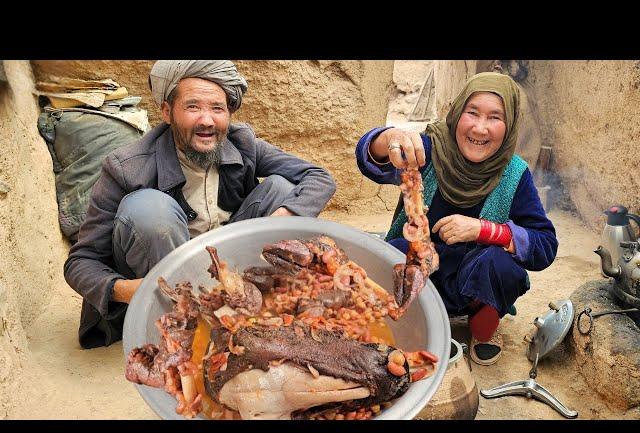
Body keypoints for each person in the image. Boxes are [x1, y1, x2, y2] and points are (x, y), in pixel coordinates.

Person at [65, 60, 337, 349]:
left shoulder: (242, 143)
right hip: (164, 279)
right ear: (167, 112)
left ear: (229, 114)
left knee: (282, 189)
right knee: (149, 209)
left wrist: (283, 216)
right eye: (193, 107)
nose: (207, 120)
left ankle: (252, 306)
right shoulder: (126, 167)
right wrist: (129, 289)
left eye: (217, 109)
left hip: (226, 266)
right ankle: (181, 326)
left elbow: (319, 178)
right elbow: (80, 262)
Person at [356, 72, 557, 365]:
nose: (480, 127)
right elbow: (368, 160)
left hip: (473, 281)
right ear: (456, 112)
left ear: (510, 124)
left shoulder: (514, 173)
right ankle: (411, 318)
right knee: (390, 254)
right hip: (419, 275)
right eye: (472, 113)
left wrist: (484, 230)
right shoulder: (430, 150)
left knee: (502, 267)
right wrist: (388, 138)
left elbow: (545, 245)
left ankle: (483, 326)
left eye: (494, 117)